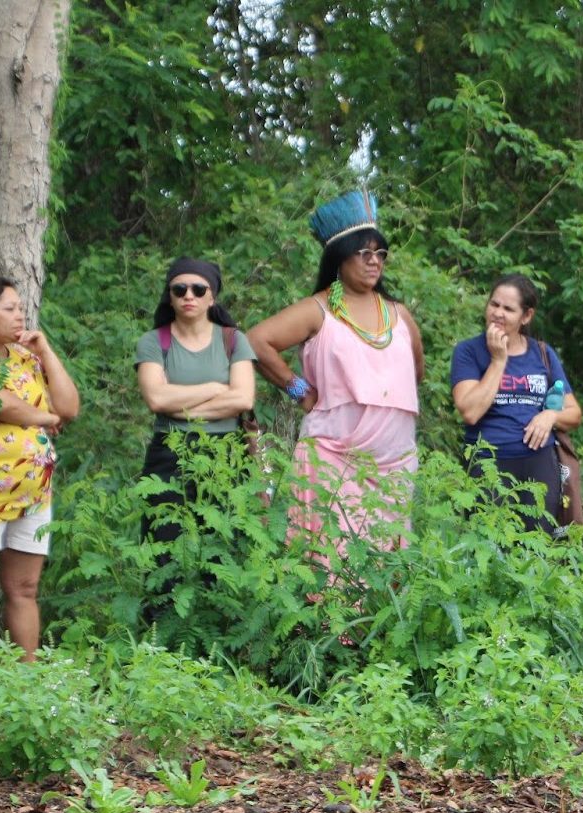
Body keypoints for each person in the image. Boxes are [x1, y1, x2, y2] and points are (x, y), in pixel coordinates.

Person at [248, 190, 424, 552]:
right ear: (339, 259)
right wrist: (300, 390)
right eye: (364, 253)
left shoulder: (399, 315)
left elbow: (415, 374)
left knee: (386, 571)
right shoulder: (319, 310)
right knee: (332, 562)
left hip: (394, 463)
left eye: (380, 253)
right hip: (334, 456)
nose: (374, 262)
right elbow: (256, 342)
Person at [0, 277, 80, 660]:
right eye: (9, 308)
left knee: (24, 587)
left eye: (21, 307)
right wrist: (45, 416)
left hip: (34, 490)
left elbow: (70, 408)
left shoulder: (26, 356)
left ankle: (26, 682)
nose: (19, 314)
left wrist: (46, 350)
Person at [135, 257, 257, 610]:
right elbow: (156, 398)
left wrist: (183, 405)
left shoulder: (234, 341)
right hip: (168, 452)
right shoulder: (153, 341)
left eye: (198, 289)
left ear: (212, 297)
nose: (189, 295)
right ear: (170, 297)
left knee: (220, 543)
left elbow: (243, 398)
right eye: (180, 289)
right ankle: (160, 635)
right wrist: (216, 389)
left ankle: (218, 630)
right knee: (163, 544)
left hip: (225, 452)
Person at [450, 274, 582, 533]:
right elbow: (470, 411)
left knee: (537, 551)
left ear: (526, 316)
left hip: (539, 463)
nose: (497, 313)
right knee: (490, 549)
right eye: (494, 304)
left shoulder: (542, 354)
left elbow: (574, 413)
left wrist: (550, 416)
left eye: (508, 309)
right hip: (488, 462)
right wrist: (499, 361)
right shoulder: (468, 351)